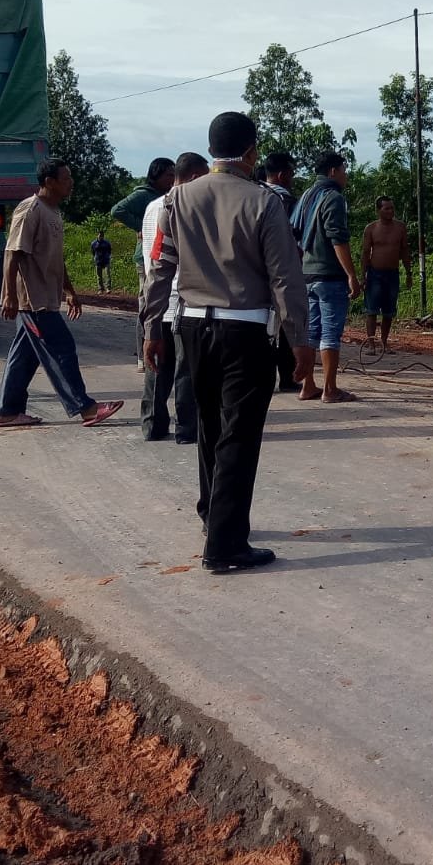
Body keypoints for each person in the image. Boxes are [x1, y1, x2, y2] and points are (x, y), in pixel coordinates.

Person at [143, 112, 314, 574]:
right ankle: (225, 545)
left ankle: (212, 515)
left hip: (193, 327)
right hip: (247, 331)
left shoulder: (176, 199)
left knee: (210, 428)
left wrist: (152, 328)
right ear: (252, 152)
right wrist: (300, 340)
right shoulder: (265, 202)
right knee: (239, 434)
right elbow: (285, 277)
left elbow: (160, 268)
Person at [0, 160, 124, 429]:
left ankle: (7, 411)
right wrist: (9, 295)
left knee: (24, 356)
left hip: (47, 297)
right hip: (34, 300)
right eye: (66, 178)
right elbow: (12, 254)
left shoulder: (52, 211)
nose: (71, 182)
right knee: (62, 348)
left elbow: (55, 258)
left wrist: (69, 291)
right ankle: (86, 408)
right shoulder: (30, 209)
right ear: (49, 182)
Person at [139, 153, 210, 443]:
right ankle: (186, 429)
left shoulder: (152, 207)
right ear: (194, 177)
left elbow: (151, 258)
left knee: (157, 367)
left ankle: (152, 426)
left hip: (156, 299)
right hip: (182, 300)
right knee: (185, 369)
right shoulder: (188, 207)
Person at [293, 151, 362, 403]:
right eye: (344, 169)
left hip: (307, 273)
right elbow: (338, 239)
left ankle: (308, 386)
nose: (345, 175)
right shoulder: (333, 198)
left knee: (312, 331)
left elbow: (294, 233)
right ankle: (330, 389)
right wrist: (351, 275)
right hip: (329, 275)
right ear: (333, 171)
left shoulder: (307, 195)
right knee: (330, 333)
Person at [111, 157, 176, 369]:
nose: (172, 179)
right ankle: (142, 356)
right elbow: (117, 210)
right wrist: (141, 226)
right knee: (146, 306)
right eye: (168, 175)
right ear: (156, 175)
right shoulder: (143, 196)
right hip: (147, 258)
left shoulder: (166, 196)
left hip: (162, 257)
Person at [262, 151, 302, 392]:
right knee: (286, 323)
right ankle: (288, 376)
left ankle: (264, 377)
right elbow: (298, 241)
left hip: (253, 276)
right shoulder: (288, 203)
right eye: (291, 173)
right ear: (282, 174)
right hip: (283, 273)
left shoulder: (252, 195)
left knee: (263, 329)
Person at [361, 196, 410, 351]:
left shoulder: (400, 228)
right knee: (372, 310)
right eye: (386, 208)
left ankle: (384, 341)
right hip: (375, 273)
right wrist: (362, 276)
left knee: (389, 311)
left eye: (392, 208)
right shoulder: (371, 228)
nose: (390, 211)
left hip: (392, 274)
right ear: (378, 210)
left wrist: (409, 273)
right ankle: (370, 343)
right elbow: (365, 252)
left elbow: (405, 251)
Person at [90, 229, 114, 293]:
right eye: (100, 235)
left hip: (106, 260)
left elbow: (109, 251)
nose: (101, 237)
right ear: (97, 235)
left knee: (108, 275)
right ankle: (100, 289)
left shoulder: (107, 243)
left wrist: (108, 257)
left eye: (102, 236)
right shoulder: (93, 243)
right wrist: (95, 258)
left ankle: (108, 288)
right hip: (98, 261)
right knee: (99, 276)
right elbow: (93, 252)